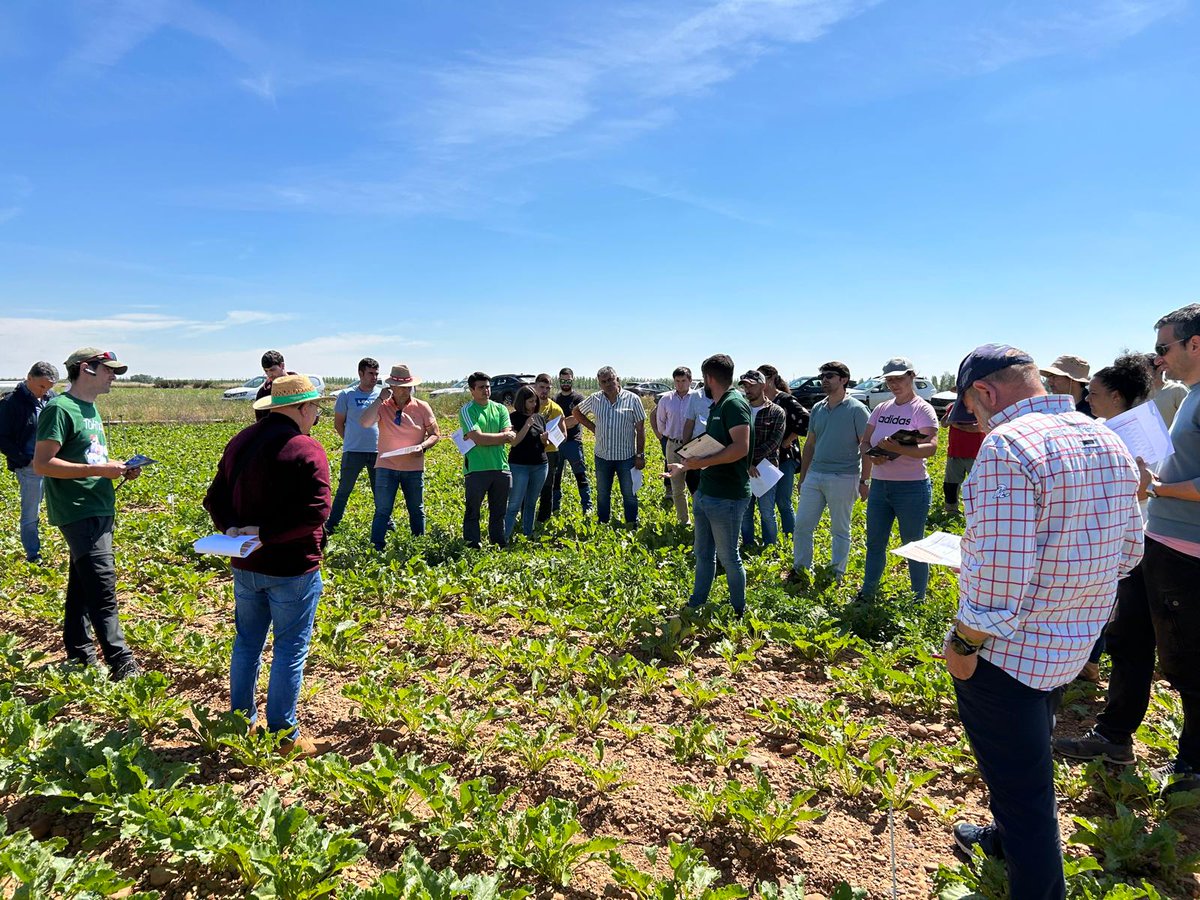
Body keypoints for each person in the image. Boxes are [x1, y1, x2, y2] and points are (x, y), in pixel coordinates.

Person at [941, 344, 1142, 899]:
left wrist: (963, 641)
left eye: (973, 411)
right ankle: (1003, 839)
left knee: (1026, 795)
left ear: (984, 392)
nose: (976, 423)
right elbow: (1128, 552)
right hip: (1071, 645)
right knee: (1026, 762)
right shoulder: (1106, 437)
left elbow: (1000, 580)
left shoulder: (1007, 446)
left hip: (1007, 654)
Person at [1055, 304, 1200, 795]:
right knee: (1129, 640)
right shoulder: (1193, 398)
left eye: (1164, 347)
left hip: (1187, 552)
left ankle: (1193, 767)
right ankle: (1114, 736)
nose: (1158, 359)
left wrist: (1156, 487)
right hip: (1157, 542)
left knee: (1187, 661)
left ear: (1193, 345)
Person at [204, 375, 333, 757]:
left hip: (245, 563)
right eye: (315, 408)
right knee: (290, 648)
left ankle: (241, 723)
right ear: (302, 409)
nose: (316, 415)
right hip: (293, 568)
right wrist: (268, 533)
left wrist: (232, 529)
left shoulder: (241, 441)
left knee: (247, 642)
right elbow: (317, 511)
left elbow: (214, 497)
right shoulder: (306, 448)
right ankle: (283, 734)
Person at [33, 349, 142, 679]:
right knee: (102, 583)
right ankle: (120, 661)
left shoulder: (90, 409)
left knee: (83, 582)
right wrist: (98, 469)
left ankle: (79, 653)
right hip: (77, 509)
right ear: (86, 369)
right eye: (108, 370)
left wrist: (118, 470)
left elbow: (90, 458)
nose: (114, 376)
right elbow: (43, 464)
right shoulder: (59, 409)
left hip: (99, 505)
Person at [1067, 354, 1155, 684]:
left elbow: (1147, 488)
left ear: (1116, 396)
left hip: (1133, 528)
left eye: (1094, 392)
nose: (1087, 398)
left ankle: (1093, 661)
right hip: (1104, 526)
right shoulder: (1102, 428)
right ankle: (1088, 658)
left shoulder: (1140, 432)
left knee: (1115, 604)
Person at [666, 354, 752, 617]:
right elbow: (714, 446)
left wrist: (699, 464)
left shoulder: (734, 404)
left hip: (727, 496)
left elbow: (740, 448)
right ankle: (695, 605)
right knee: (703, 554)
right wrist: (687, 465)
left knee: (729, 557)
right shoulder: (718, 405)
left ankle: (739, 611)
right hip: (707, 491)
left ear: (708, 378)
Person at [857, 357, 939, 600]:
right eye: (890, 380)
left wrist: (898, 449)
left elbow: (932, 447)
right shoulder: (881, 409)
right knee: (874, 543)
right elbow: (864, 442)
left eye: (899, 379)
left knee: (914, 545)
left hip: (912, 488)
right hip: (881, 487)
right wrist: (874, 456)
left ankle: (918, 598)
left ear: (912, 376)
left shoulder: (922, 409)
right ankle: (868, 592)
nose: (894, 384)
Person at [791, 361, 869, 581]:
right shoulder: (817, 408)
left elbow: (866, 446)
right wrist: (803, 476)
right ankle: (801, 569)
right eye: (822, 376)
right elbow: (810, 444)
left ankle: (836, 574)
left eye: (830, 376)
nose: (824, 380)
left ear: (843, 379)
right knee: (803, 526)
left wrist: (864, 481)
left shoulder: (857, 409)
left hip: (844, 476)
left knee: (840, 530)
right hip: (815, 475)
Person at [359, 364, 439, 548]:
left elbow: (435, 434)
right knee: (382, 510)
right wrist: (379, 400)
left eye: (408, 386)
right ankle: (376, 547)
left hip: (413, 468)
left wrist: (423, 446)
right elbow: (364, 422)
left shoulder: (422, 407)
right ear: (391, 387)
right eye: (401, 387)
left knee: (416, 510)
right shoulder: (382, 406)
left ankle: (418, 546)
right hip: (386, 467)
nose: (405, 390)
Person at [572, 367, 646, 526]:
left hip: (626, 457)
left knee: (629, 493)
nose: (608, 384)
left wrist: (640, 455)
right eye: (603, 382)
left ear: (617, 379)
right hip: (602, 456)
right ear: (599, 384)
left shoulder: (632, 399)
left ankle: (632, 523)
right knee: (603, 493)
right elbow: (576, 412)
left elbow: (640, 429)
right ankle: (603, 522)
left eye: (610, 380)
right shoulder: (595, 399)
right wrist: (593, 428)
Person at [0, 362, 59, 562]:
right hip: (30, 467)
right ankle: (33, 555)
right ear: (29, 378)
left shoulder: (52, 399)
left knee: (62, 505)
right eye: (42, 386)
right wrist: (25, 459)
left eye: (49, 388)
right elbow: (2, 438)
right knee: (31, 513)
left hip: (55, 464)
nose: (45, 392)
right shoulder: (11, 403)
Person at [326, 358, 382, 534]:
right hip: (353, 452)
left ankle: (386, 524)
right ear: (360, 374)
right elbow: (338, 424)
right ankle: (332, 524)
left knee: (380, 492)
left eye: (376, 374)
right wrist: (350, 440)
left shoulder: (381, 396)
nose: (374, 377)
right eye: (371, 373)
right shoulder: (346, 395)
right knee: (344, 490)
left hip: (376, 452)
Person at [460, 372, 515, 548]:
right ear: (472, 390)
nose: (486, 390)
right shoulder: (467, 410)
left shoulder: (500, 409)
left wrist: (494, 437)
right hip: (476, 469)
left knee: (499, 511)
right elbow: (478, 438)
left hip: (500, 466)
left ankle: (498, 544)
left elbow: (509, 436)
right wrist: (502, 436)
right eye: (481, 387)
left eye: (488, 386)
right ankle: (472, 545)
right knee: (473, 511)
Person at [759, 365, 808, 537]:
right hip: (766, 459)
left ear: (771, 378)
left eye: (762, 378)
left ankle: (791, 537)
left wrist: (789, 439)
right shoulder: (760, 400)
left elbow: (806, 419)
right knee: (767, 503)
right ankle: (770, 539)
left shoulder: (785, 399)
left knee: (783, 500)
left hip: (786, 457)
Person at [738, 370, 785, 548]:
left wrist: (751, 459)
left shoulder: (776, 411)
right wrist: (747, 463)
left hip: (766, 469)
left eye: (751, 385)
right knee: (745, 512)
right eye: (745, 386)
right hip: (743, 468)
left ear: (763, 385)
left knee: (767, 512)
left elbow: (774, 442)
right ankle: (748, 545)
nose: (747, 389)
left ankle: (770, 547)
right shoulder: (741, 409)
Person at [540, 368, 591, 519]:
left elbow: (574, 420)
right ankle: (555, 507)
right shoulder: (555, 399)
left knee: (580, 475)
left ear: (573, 380)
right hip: (556, 444)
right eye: (563, 380)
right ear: (559, 380)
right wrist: (561, 422)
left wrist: (558, 422)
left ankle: (587, 506)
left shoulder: (579, 399)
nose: (566, 383)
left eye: (568, 380)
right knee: (556, 477)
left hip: (573, 443)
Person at [505, 386, 549, 541]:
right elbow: (514, 442)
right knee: (514, 504)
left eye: (535, 401)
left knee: (531, 502)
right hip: (519, 466)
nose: (533, 404)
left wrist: (544, 441)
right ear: (522, 402)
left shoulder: (539, 418)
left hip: (540, 465)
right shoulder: (513, 418)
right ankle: (504, 538)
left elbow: (541, 443)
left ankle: (527, 535)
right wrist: (527, 425)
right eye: (530, 401)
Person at [655, 367, 696, 525]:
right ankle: (683, 521)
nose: (680, 384)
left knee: (696, 486)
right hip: (673, 445)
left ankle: (701, 521)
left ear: (690, 381)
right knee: (677, 486)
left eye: (683, 381)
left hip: (693, 446)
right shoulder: (666, 399)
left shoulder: (697, 398)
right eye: (677, 381)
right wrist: (667, 435)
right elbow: (661, 422)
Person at [532, 374, 565, 520]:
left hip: (550, 453)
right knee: (528, 488)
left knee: (547, 488)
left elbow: (564, 434)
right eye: (541, 387)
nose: (544, 391)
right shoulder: (529, 405)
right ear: (535, 387)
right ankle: (527, 518)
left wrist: (552, 438)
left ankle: (543, 519)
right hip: (529, 452)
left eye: (547, 388)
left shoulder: (556, 409)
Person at [942, 422, 984, 514]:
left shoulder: (982, 407)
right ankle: (951, 511)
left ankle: (977, 511)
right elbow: (944, 423)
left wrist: (958, 425)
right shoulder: (955, 407)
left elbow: (981, 427)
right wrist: (950, 415)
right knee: (951, 484)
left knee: (978, 484)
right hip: (955, 452)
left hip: (975, 454)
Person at [682, 383, 714, 497]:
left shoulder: (731, 397)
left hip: (718, 452)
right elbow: (689, 423)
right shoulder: (696, 396)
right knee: (695, 486)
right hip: (697, 449)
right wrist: (685, 450)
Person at [1147, 351, 1188, 427]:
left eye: (1145, 369)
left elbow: (1191, 418)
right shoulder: (1140, 397)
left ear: (1159, 368)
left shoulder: (1177, 390)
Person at [254, 350, 295, 422]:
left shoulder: (300, 387)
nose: (269, 375)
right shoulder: (263, 392)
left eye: (272, 370)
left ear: (282, 366)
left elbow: (313, 418)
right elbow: (260, 422)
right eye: (266, 371)